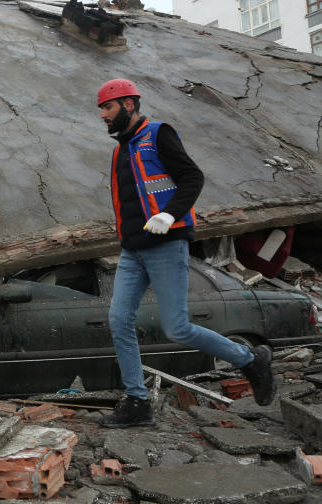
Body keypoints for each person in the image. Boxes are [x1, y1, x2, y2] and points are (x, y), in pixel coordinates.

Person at [96, 78, 275, 428]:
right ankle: (137, 402)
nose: (103, 115)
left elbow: (192, 178)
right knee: (119, 321)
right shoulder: (121, 149)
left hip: (166, 243)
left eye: (107, 107)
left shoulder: (159, 134)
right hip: (133, 251)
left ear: (128, 105)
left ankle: (250, 359)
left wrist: (169, 214)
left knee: (176, 327)